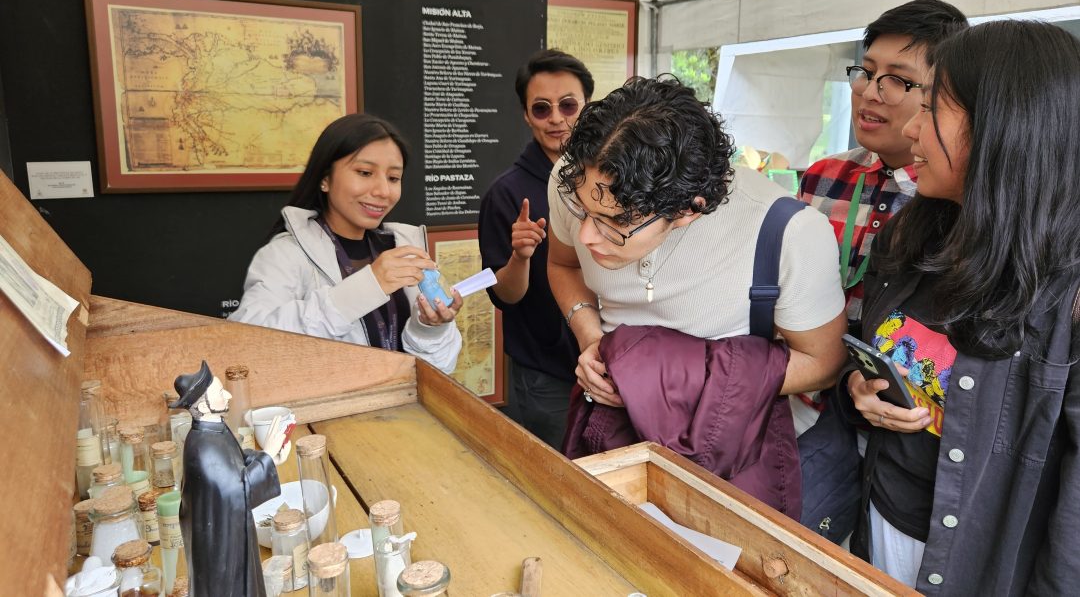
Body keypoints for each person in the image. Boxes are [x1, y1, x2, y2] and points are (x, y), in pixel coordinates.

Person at [838, 20, 1080, 594]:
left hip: (982, 567)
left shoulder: (1067, 293)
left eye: (932, 109)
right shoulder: (909, 236)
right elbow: (881, 354)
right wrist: (860, 388)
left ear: (1007, 128)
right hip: (879, 524)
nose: (913, 128)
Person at [548, 76, 848, 510]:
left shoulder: (788, 231)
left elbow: (825, 362)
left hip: (731, 446)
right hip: (611, 425)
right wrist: (591, 337)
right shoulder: (583, 177)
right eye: (582, 212)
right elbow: (563, 264)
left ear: (689, 210)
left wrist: (667, 377)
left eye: (614, 223)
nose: (587, 236)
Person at [793, 0, 968, 435]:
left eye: (898, 81)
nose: (870, 92)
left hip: (893, 419)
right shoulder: (823, 177)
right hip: (802, 395)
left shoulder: (949, 201)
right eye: (867, 72)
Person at [230, 113, 462, 373]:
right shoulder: (285, 254)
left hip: (402, 412)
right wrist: (365, 287)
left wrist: (429, 329)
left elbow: (440, 369)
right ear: (325, 178)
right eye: (365, 172)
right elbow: (249, 343)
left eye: (393, 178)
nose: (383, 191)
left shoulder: (404, 249)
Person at [478, 49, 593, 448]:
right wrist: (520, 257)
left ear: (587, 106)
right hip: (547, 374)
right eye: (542, 109)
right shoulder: (506, 194)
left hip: (612, 361)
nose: (557, 119)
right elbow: (505, 296)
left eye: (568, 105)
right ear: (526, 115)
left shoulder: (611, 177)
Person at [171, 361, 280, 597]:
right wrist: (267, 457)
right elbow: (236, 491)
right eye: (220, 392)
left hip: (229, 531)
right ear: (203, 405)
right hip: (220, 545)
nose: (228, 394)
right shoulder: (203, 448)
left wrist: (269, 459)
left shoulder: (215, 430)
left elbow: (238, 461)